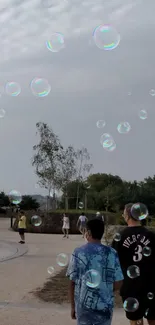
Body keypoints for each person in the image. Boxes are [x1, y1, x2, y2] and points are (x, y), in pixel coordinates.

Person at [66, 219, 124, 325]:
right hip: (105, 305)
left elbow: (72, 282)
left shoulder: (78, 252)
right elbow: (119, 282)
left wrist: (73, 307)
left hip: (83, 305)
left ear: (88, 232)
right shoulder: (112, 253)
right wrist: (104, 290)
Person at [112, 203, 155, 325]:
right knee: (153, 318)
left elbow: (113, 262)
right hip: (150, 284)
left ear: (127, 215)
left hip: (130, 285)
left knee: (136, 320)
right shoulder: (151, 235)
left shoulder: (120, 237)